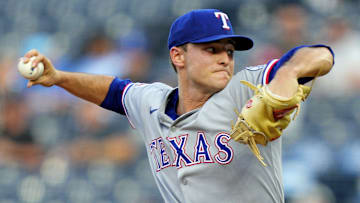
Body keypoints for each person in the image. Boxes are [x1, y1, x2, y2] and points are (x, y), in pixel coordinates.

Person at [20, 9, 333, 203]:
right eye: (212, 49)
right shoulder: (152, 102)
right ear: (178, 56)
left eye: (229, 50)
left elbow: (320, 56)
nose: (225, 58)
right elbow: (113, 91)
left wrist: (290, 71)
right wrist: (59, 77)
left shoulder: (245, 87)